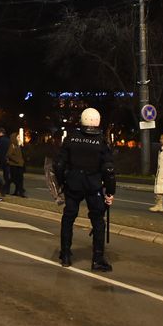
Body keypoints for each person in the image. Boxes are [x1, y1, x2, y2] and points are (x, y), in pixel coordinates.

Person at [54, 108, 115, 272]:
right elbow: (108, 170)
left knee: (68, 218)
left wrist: (61, 183)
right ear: (97, 121)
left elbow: (59, 164)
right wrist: (110, 192)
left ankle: (65, 255)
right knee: (97, 221)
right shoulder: (101, 141)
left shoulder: (71, 138)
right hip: (93, 185)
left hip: (73, 184)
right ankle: (97, 258)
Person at [7, 132, 27, 198]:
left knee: (20, 179)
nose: (19, 138)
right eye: (18, 137)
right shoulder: (12, 145)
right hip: (14, 165)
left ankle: (18, 192)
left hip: (20, 165)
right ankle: (20, 191)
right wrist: (16, 160)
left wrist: (23, 146)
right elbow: (9, 154)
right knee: (15, 179)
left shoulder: (19, 145)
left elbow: (24, 154)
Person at [0, 128, 11, 195]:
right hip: (7, 159)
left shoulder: (0, 141)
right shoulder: (8, 140)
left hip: (1, 159)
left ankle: (2, 185)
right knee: (6, 175)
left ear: (0, 133)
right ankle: (7, 189)